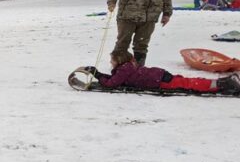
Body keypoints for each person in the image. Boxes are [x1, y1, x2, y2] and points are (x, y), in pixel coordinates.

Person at [85, 50, 240, 95]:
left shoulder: (123, 70)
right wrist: (98, 74)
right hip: (159, 75)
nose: (111, 63)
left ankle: (222, 84)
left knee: (188, 85)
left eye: (112, 60)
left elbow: (112, 83)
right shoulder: (127, 66)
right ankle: (222, 82)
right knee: (186, 81)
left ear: (119, 60)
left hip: (159, 81)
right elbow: (115, 78)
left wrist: (98, 75)